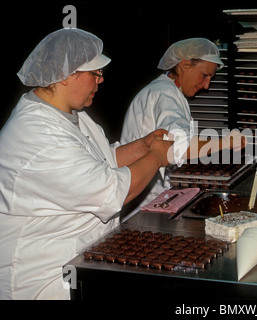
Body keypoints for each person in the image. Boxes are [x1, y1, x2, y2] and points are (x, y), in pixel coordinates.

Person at [0, 28, 172, 300]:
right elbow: (112, 191)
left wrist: (142, 146)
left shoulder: (71, 114)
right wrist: (156, 157)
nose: (100, 80)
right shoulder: (36, 136)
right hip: (43, 276)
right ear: (67, 76)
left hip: (77, 261)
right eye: (96, 73)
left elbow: (99, 160)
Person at [120, 38, 245, 220]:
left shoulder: (163, 90)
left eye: (211, 78)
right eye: (204, 75)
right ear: (185, 65)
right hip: (147, 203)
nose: (207, 85)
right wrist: (226, 142)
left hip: (151, 198)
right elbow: (179, 146)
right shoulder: (166, 94)